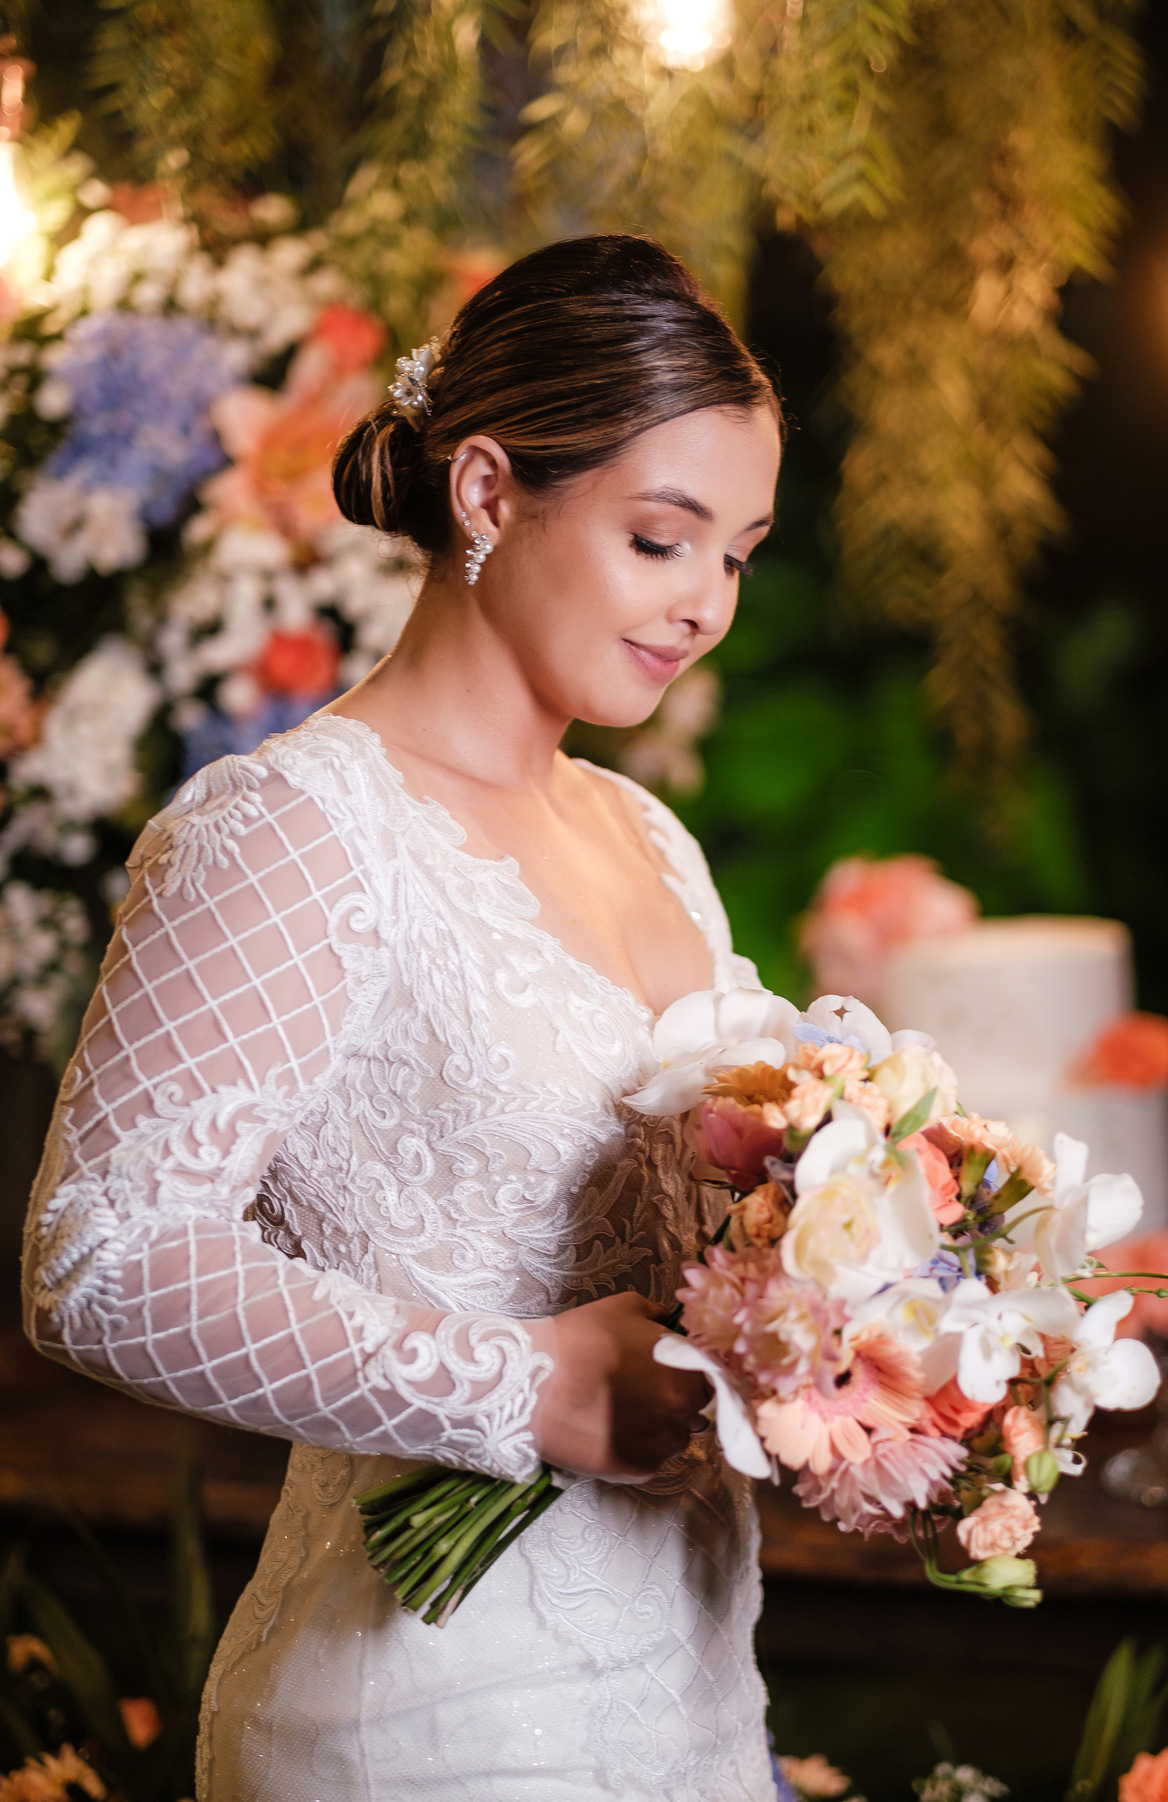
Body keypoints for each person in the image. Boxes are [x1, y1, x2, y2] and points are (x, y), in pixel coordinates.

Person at [22, 233, 783, 1801]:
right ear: (488, 491)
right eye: (663, 539)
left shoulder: (650, 838)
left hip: (693, 1684)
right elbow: (101, 1258)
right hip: (435, 1715)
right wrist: (526, 1387)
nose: (706, 603)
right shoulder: (296, 829)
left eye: (740, 557)